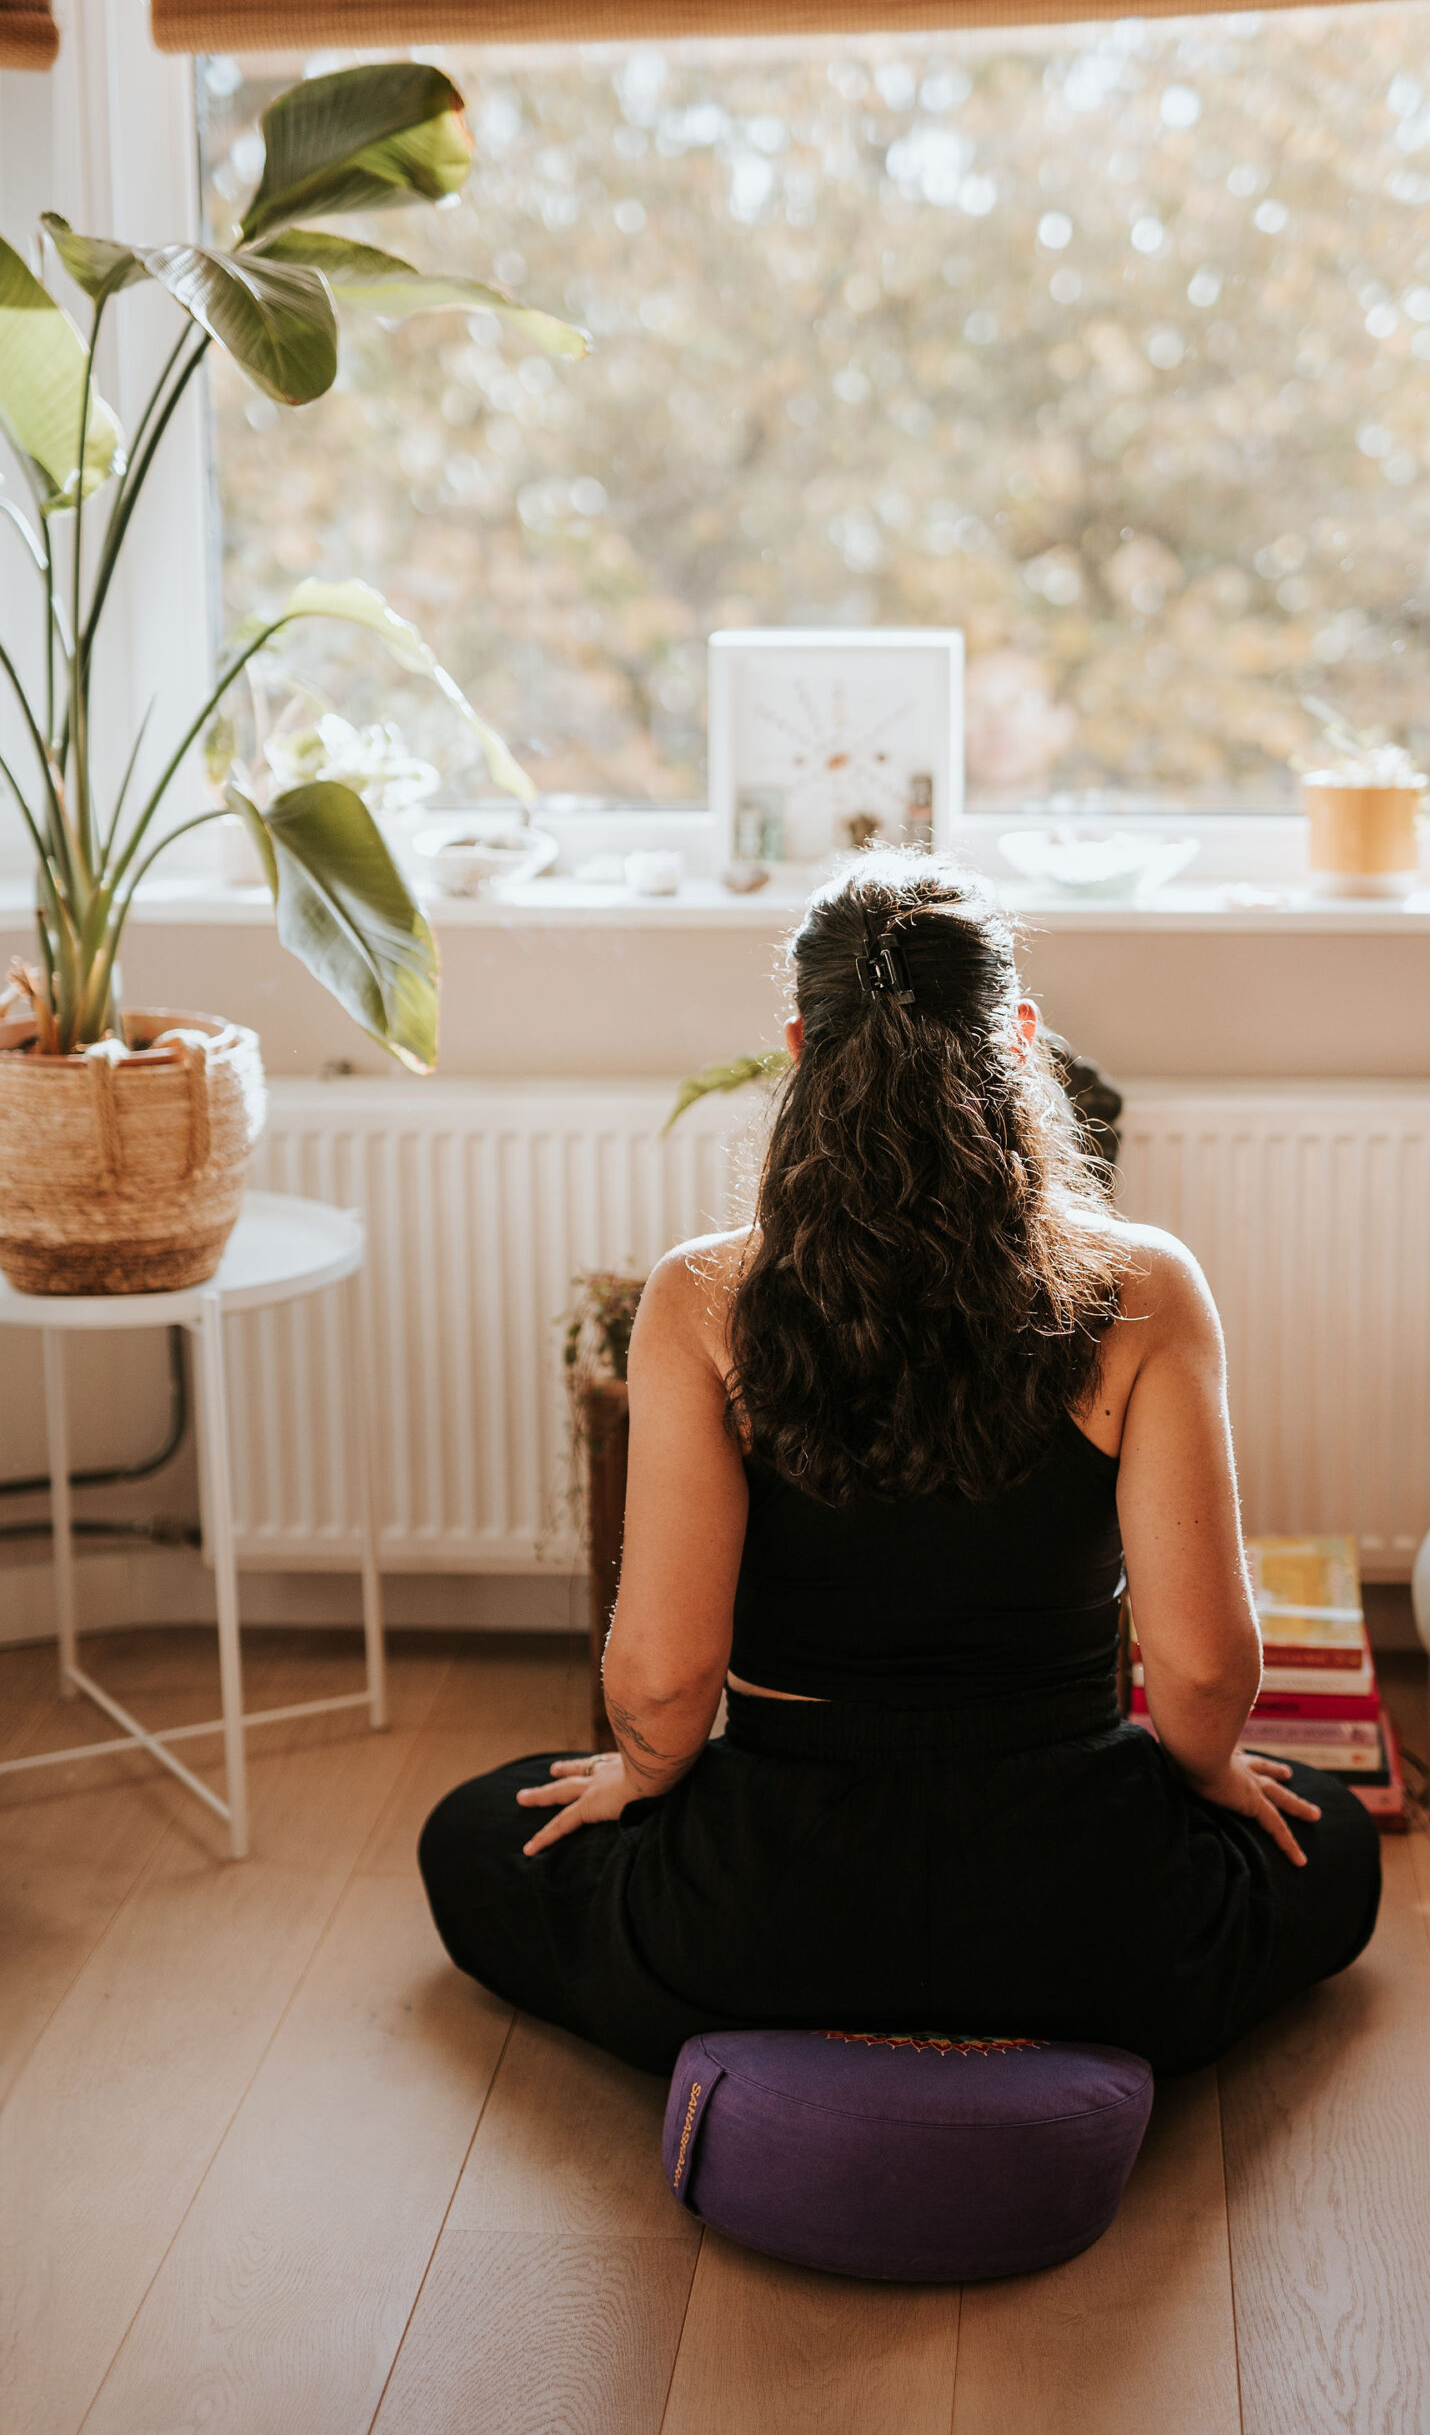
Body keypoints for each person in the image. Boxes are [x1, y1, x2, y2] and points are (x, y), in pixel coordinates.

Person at [419, 857, 1380, 2075]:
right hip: (1079, 1910)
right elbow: (1199, 1674)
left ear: (798, 1044)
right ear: (1022, 1039)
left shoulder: (702, 1298)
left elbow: (664, 1682)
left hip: (774, 1907)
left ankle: (801, 2016)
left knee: (473, 1832)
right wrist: (1209, 1779)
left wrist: (647, 1780)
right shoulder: (1144, 1289)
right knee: (1331, 1836)